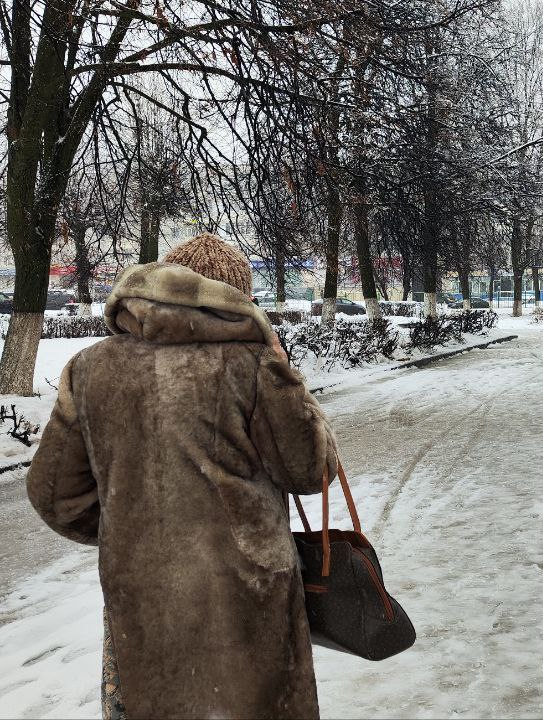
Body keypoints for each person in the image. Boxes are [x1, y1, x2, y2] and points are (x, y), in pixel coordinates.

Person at [26, 232, 339, 719]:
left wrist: (133, 533)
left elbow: (55, 497)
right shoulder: (253, 364)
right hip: (246, 593)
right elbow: (309, 470)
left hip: (142, 596)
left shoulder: (89, 368)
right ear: (235, 298)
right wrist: (285, 373)